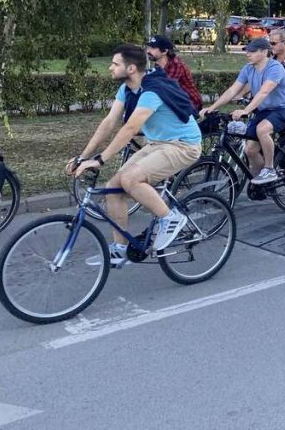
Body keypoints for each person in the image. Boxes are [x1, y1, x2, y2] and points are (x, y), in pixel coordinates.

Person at [68, 44, 201, 266]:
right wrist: (83, 157)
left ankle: (171, 218)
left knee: (131, 179)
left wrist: (100, 160)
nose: (110, 68)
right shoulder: (127, 89)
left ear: (131, 68)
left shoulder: (152, 91)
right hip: (157, 143)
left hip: (183, 145)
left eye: (115, 64)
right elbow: (109, 122)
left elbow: (130, 128)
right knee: (113, 187)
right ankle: (120, 250)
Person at [200, 37, 285, 185]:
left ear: (264, 52)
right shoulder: (248, 68)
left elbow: (264, 92)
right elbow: (232, 90)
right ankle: (261, 184)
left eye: (252, 51)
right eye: (247, 51)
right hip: (265, 110)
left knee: (262, 129)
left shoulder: (275, 68)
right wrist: (212, 107)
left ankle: (269, 169)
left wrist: (245, 110)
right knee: (250, 150)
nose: (248, 54)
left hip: (284, 108)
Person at [146, 35, 202, 112]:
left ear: (165, 51)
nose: (148, 51)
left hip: (190, 104)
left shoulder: (176, 65)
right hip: (176, 102)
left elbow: (165, 89)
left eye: (153, 48)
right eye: (149, 48)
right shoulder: (158, 64)